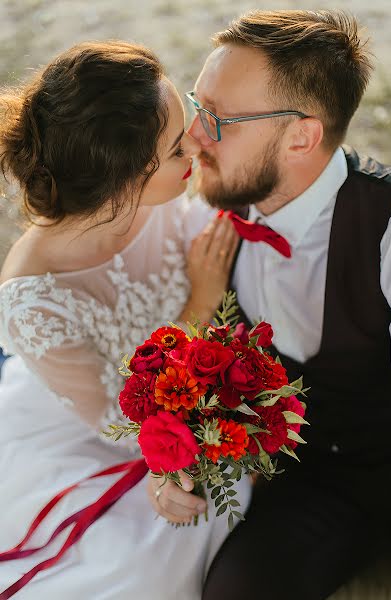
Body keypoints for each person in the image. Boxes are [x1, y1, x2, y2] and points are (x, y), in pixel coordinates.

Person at [148, 10, 391, 600]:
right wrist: (172, 459)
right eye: (196, 105)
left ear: (301, 137)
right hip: (317, 488)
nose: (194, 137)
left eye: (219, 119)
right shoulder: (216, 215)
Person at [0, 41, 251, 599]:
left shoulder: (158, 197)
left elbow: (211, 236)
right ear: (125, 180)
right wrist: (199, 308)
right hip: (96, 428)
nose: (196, 145)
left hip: (181, 386)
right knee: (137, 571)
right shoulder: (32, 300)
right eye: (175, 149)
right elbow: (120, 422)